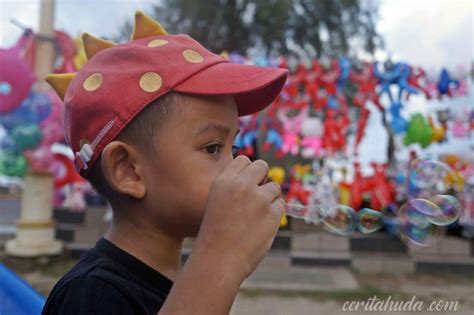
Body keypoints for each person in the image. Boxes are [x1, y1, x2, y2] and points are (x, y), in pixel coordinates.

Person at [43, 11, 288, 315]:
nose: (237, 166)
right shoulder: (91, 294)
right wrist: (221, 258)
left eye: (232, 147)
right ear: (128, 170)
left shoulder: (181, 285)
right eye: (213, 148)